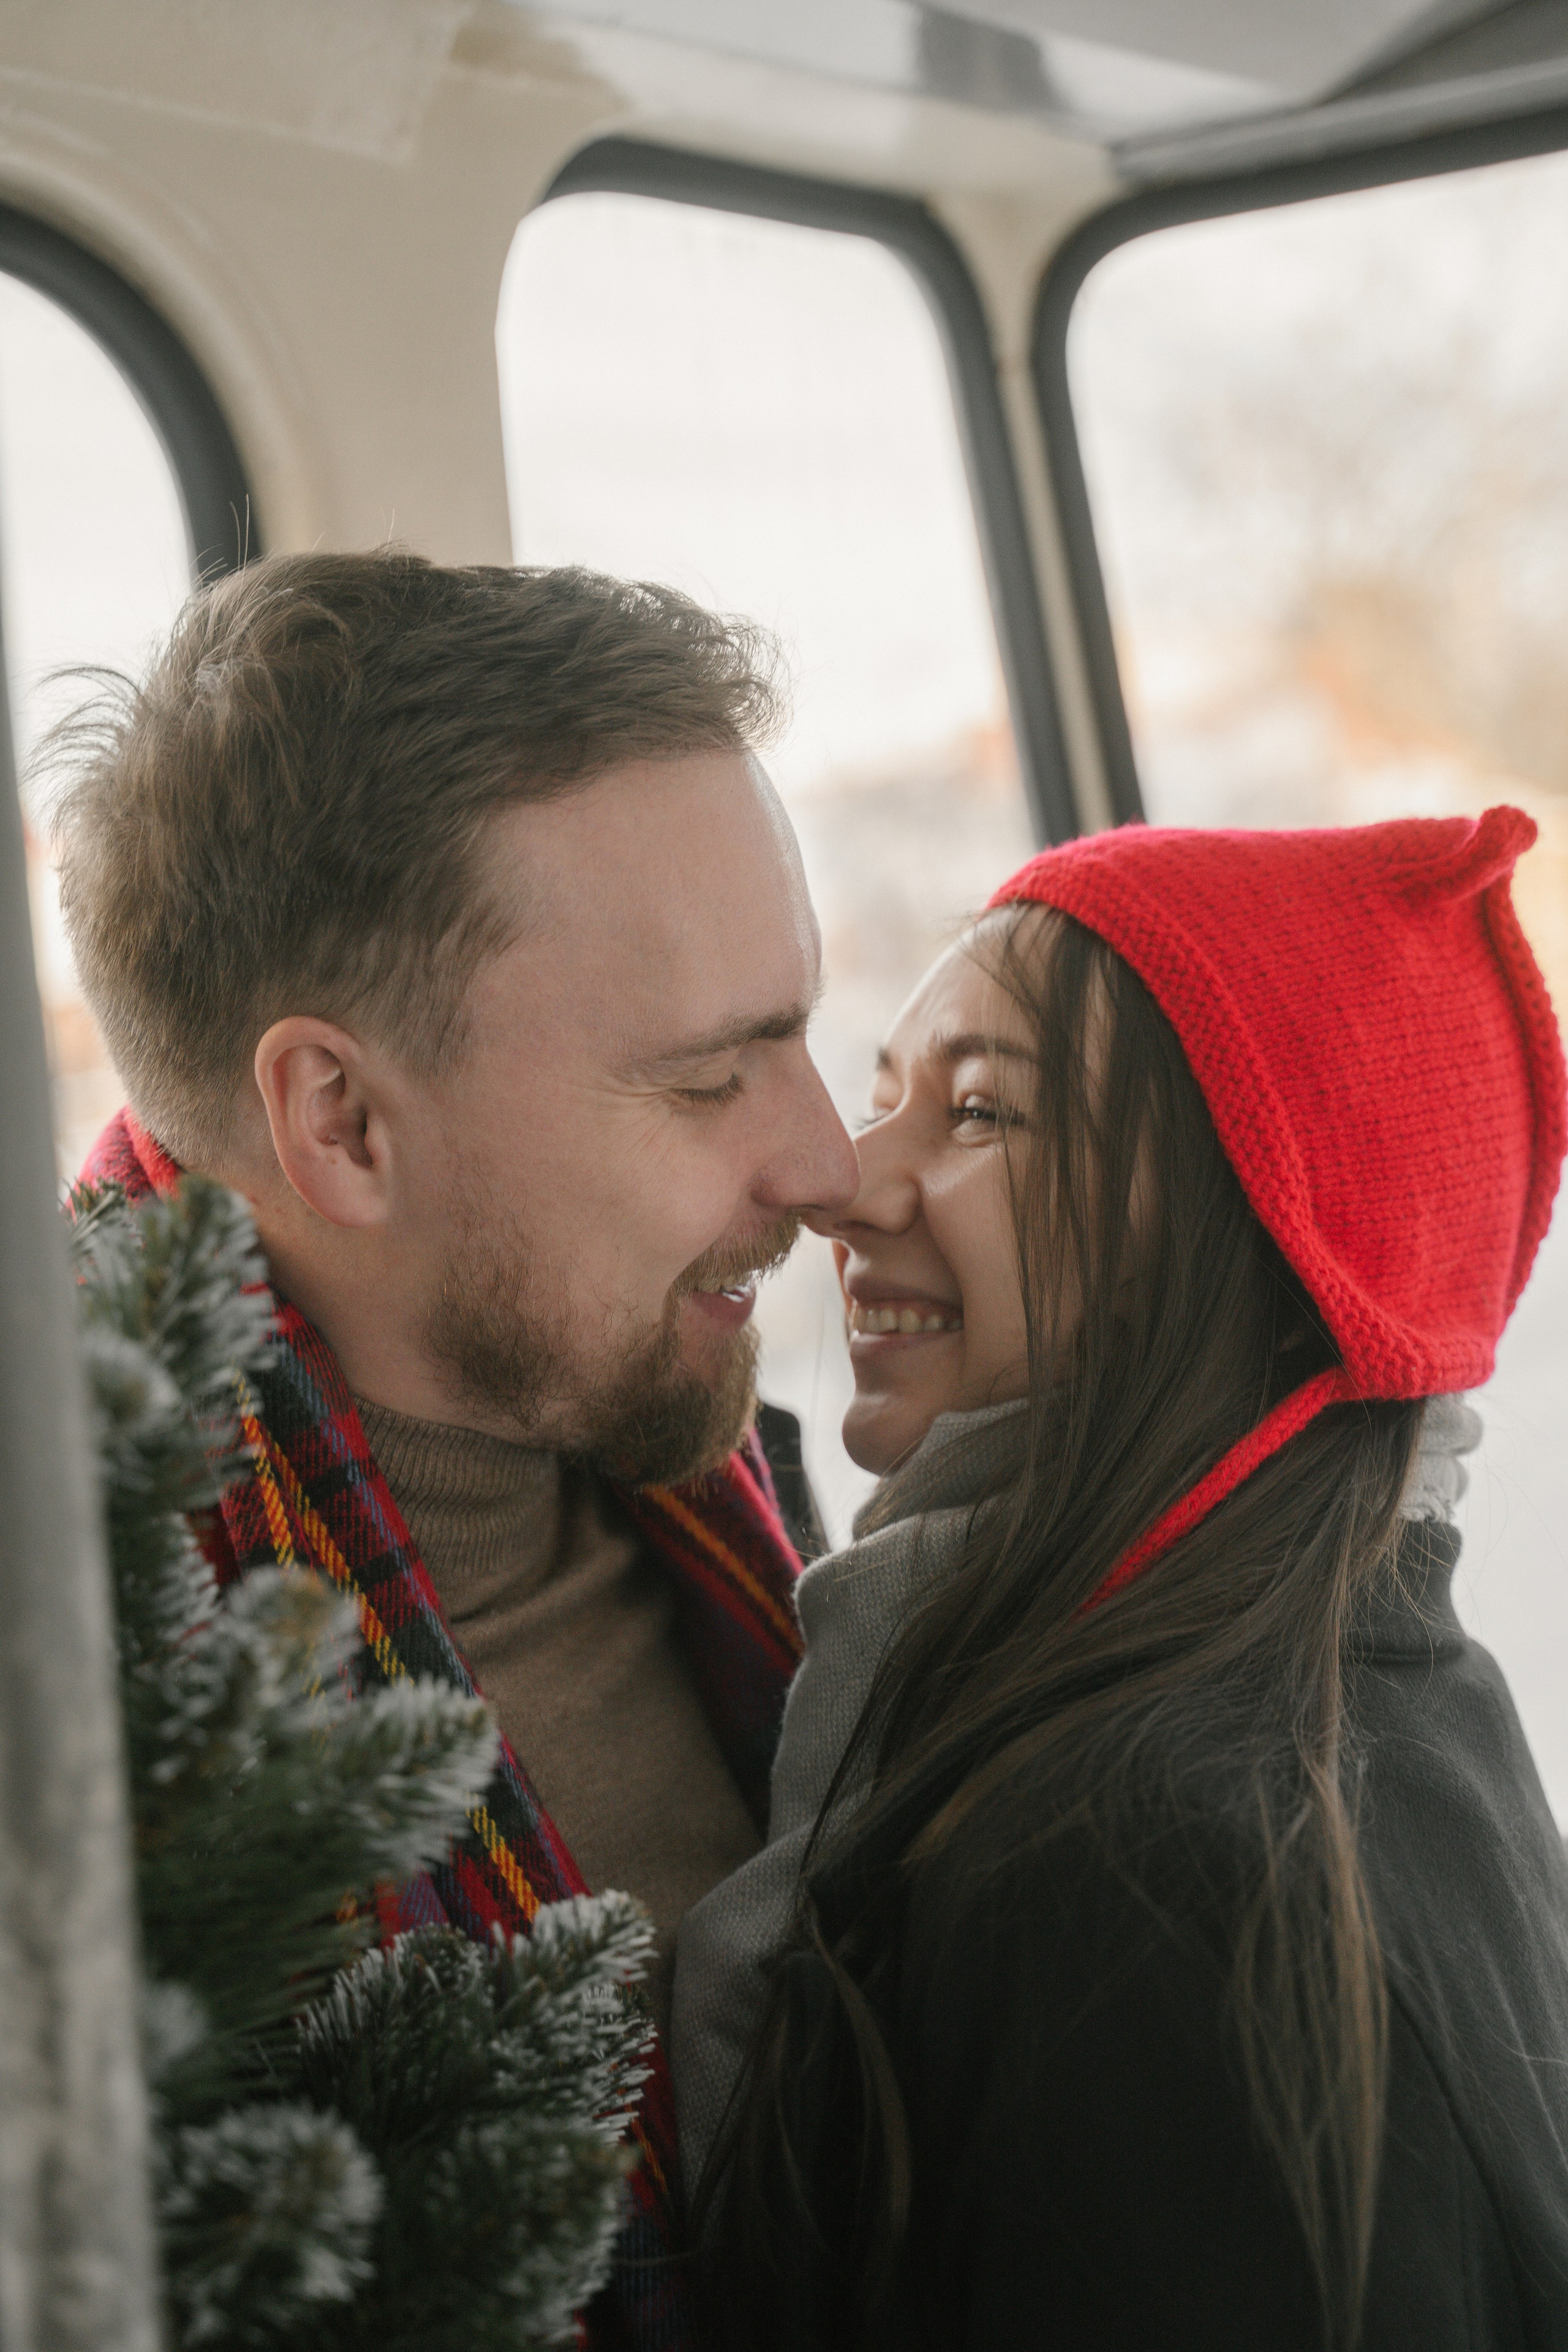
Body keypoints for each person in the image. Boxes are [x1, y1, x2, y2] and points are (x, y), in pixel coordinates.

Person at [45, 549, 859, 2352]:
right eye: (712, 1078)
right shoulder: (88, 1760)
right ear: (340, 1122)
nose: (831, 1167)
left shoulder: (713, 1466)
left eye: (800, 1036)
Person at [676, 808, 1568, 2350]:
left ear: (1247, 1245)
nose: (847, 1183)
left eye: (983, 1116)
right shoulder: (1363, 1695)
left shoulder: (1151, 1865)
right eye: (886, 1095)